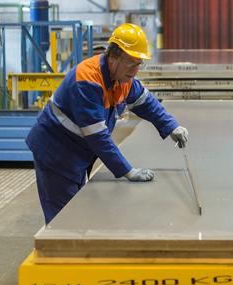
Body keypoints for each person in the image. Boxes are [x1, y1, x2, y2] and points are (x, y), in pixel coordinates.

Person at [26, 23, 188, 224]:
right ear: (113, 57)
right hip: (57, 152)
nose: (135, 70)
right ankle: (58, 253)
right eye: (131, 62)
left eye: (139, 63)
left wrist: (171, 126)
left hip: (78, 151)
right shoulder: (87, 80)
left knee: (76, 209)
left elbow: (146, 102)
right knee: (63, 219)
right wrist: (127, 171)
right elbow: (97, 136)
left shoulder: (123, 77)